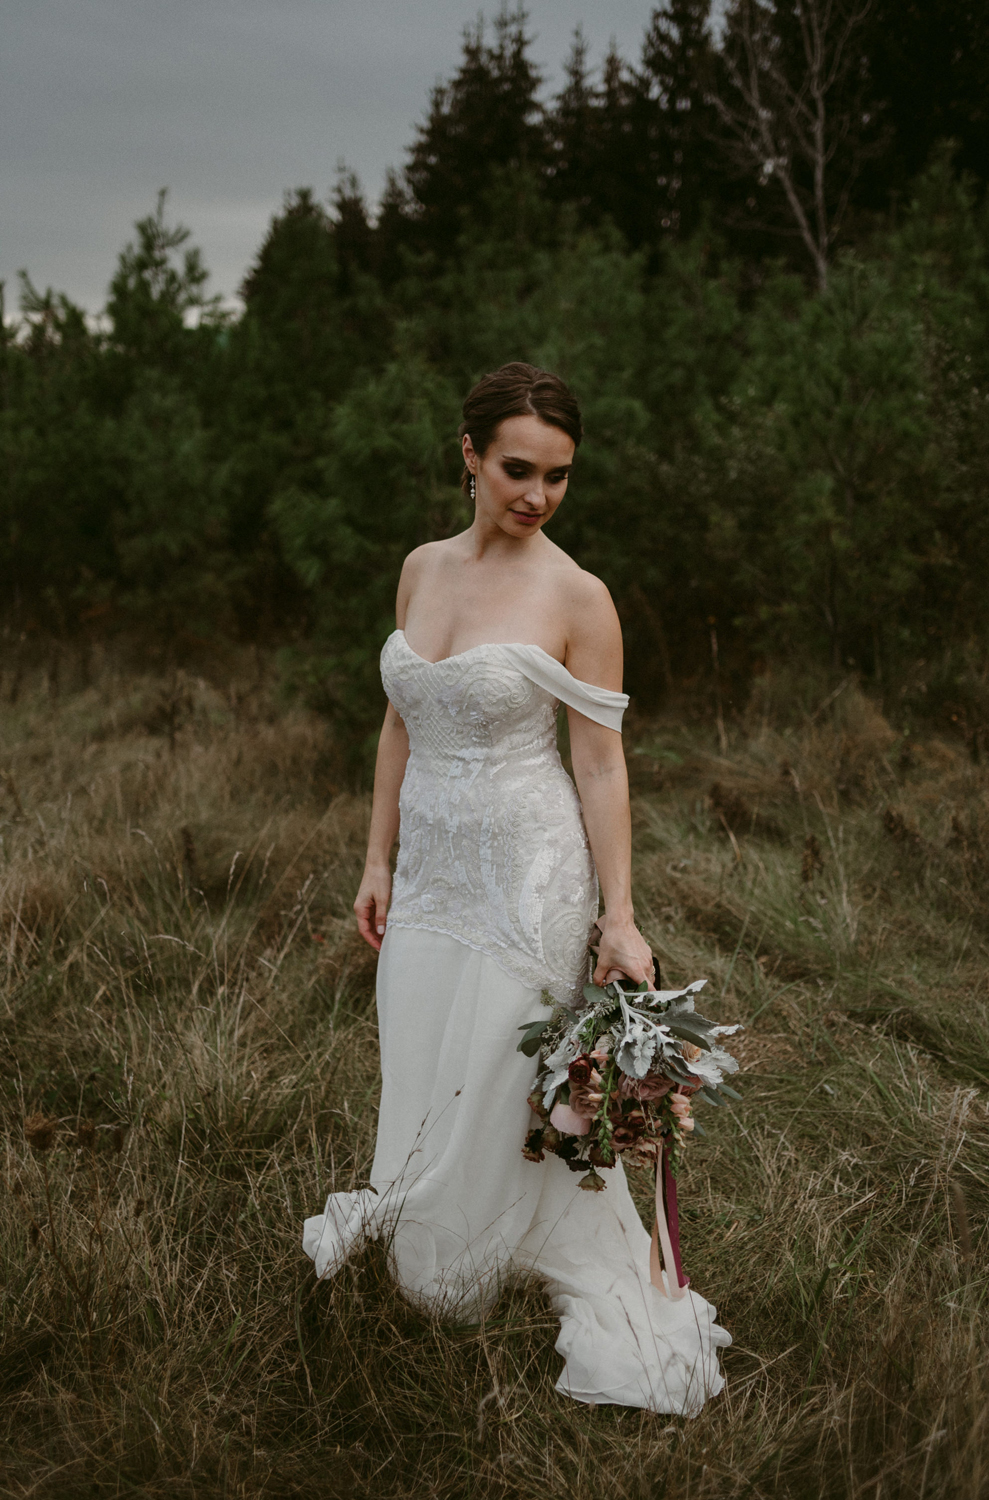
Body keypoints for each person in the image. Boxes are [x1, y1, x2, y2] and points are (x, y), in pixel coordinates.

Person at [302, 361, 730, 1415]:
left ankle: (487, 1251)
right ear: (468, 457)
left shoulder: (577, 596)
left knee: (505, 1066)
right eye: (517, 469)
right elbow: (401, 718)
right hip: (429, 870)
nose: (536, 494)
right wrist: (374, 858)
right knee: (418, 1041)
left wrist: (618, 918)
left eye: (559, 476)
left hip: (529, 869)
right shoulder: (419, 569)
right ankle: (430, 1225)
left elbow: (598, 763)